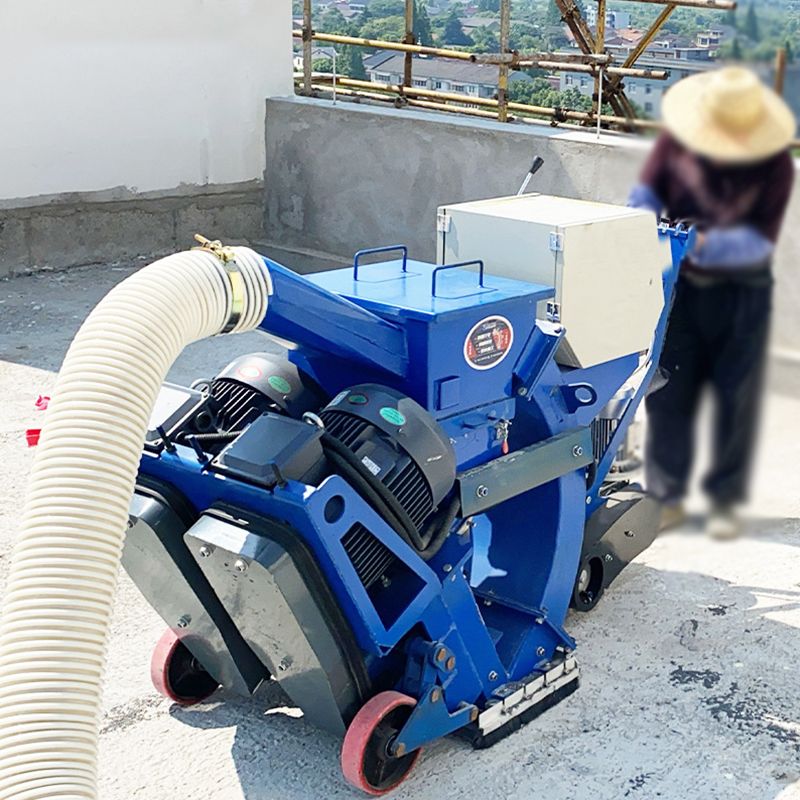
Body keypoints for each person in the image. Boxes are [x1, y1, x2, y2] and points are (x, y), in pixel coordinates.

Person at [628, 66, 796, 538]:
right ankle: (668, 496)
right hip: (680, 289)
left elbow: (758, 241)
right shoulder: (675, 147)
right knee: (669, 390)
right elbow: (643, 197)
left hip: (740, 290)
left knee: (733, 396)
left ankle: (725, 499)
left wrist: (702, 245)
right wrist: (644, 226)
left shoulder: (774, 166)